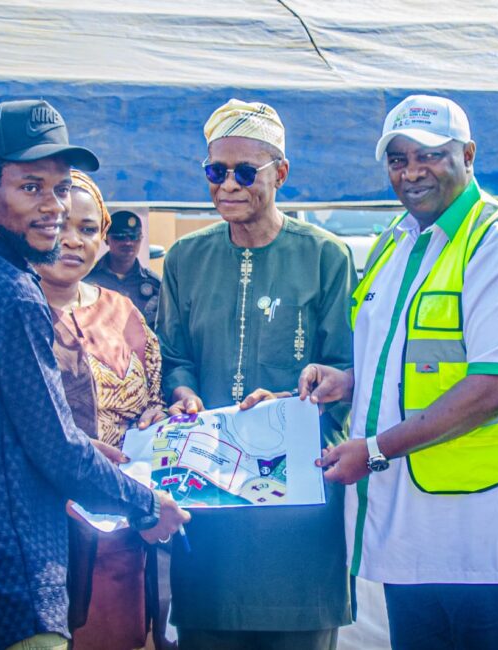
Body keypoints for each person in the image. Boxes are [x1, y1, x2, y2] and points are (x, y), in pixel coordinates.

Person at [0, 99, 189, 650]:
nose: (53, 207)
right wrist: (148, 506)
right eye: (31, 187)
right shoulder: (11, 292)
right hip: (11, 596)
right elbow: (59, 452)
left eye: (60, 188)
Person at [308, 95, 498, 650]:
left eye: (429, 155)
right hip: (411, 532)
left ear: (467, 155)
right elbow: (409, 357)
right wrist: (348, 381)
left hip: (483, 527)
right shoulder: (398, 240)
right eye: (398, 159)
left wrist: (374, 450)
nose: (412, 171)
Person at [156, 99, 355, 649]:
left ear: (280, 173)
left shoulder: (326, 256)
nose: (228, 185)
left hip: (298, 504)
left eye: (245, 172)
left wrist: (294, 398)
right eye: (215, 172)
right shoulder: (185, 257)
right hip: (207, 493)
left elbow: (347, 366)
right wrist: (183, 391)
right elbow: (173, 355)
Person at [38, 169, 168, 650]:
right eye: (60, 225)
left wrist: (158, 416)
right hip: (44, 530)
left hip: (122, 525)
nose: (73, 240)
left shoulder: (121, 310)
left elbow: (153, 394)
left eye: (88, 229)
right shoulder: (14, 306)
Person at [87, 209, 161, 326]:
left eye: (134, 237)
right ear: (106, 239)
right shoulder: (87, 282)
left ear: (141, 239)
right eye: (120, 237)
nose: (128, 243)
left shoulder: (155, 284)